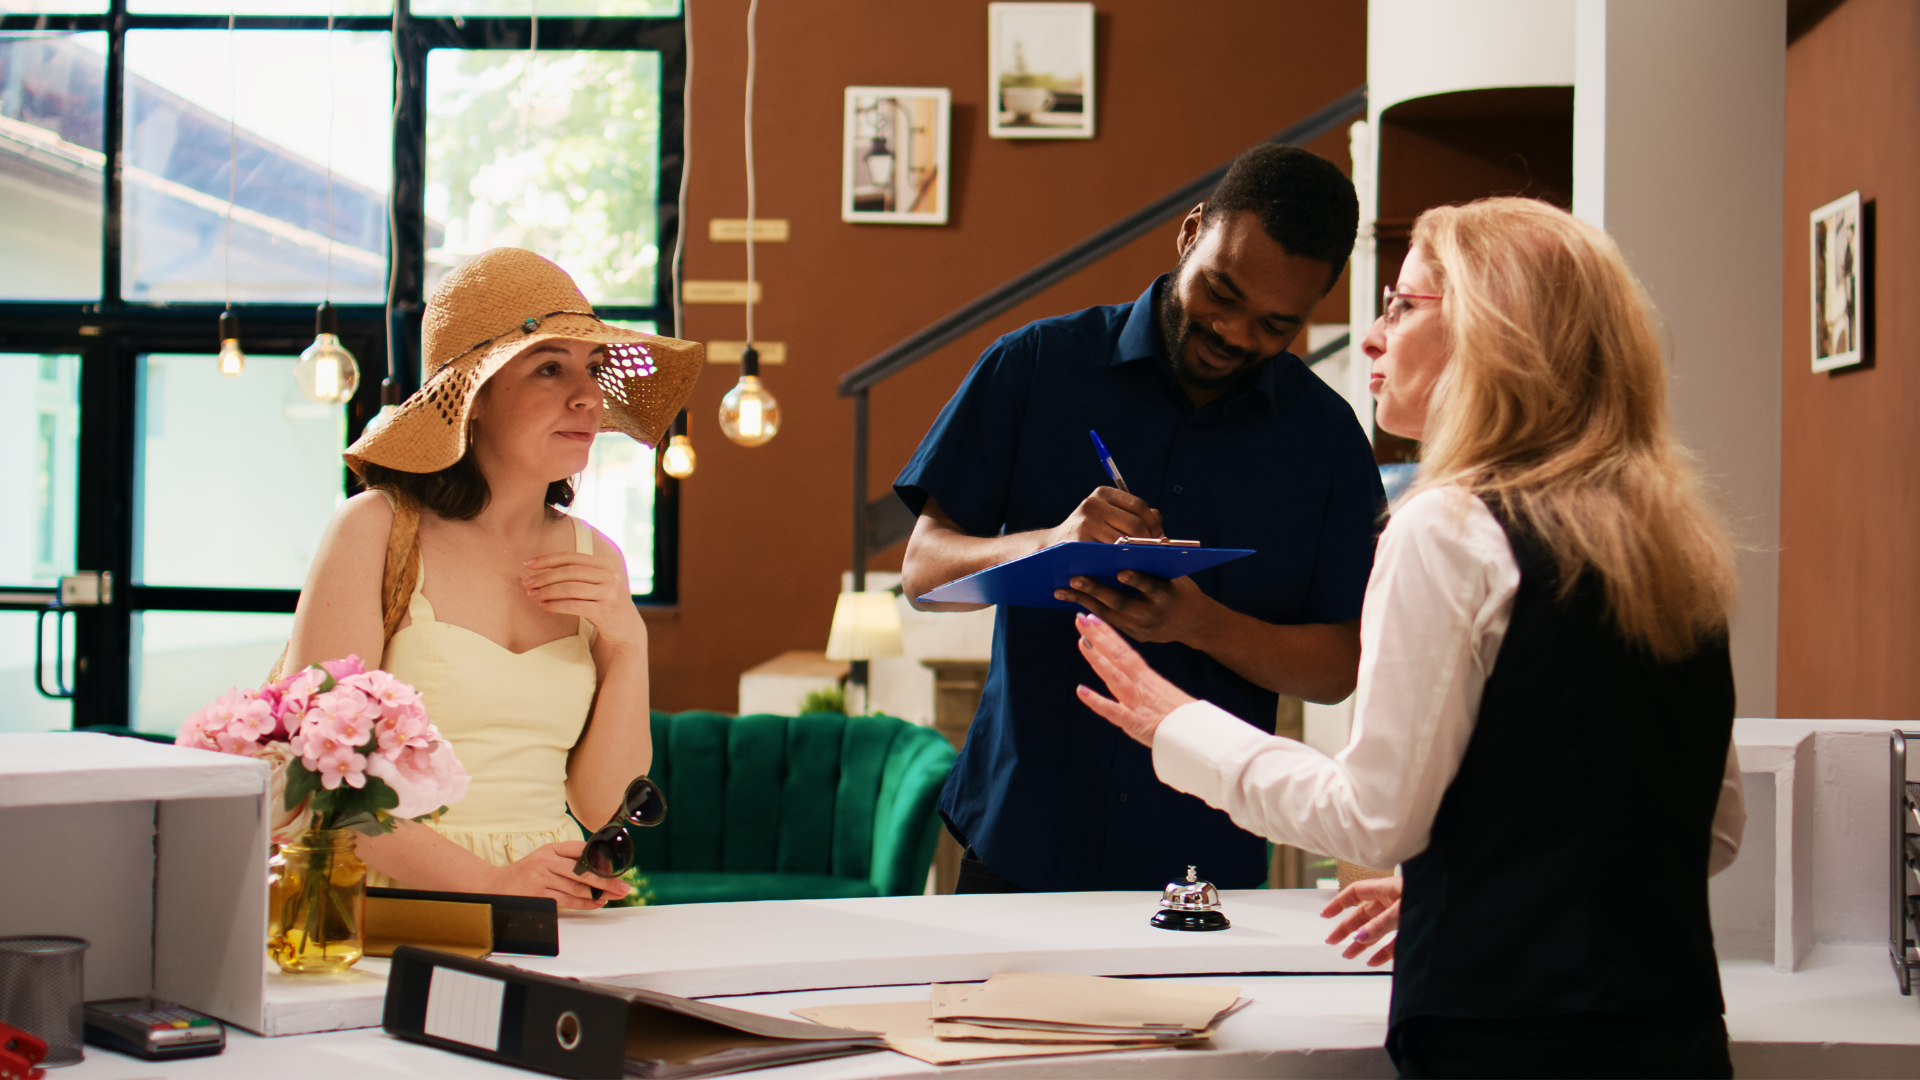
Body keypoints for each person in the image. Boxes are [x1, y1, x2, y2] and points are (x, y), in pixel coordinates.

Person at [1075, 196, 1746, 1077]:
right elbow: (1712, 829)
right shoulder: (1670, 540)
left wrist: (1178, 725)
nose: (1373, 337)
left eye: (1400, 304)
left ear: (1491, 332)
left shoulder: (1448, 529)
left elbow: (1372, 816)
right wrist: (1473, 877)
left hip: (1502, 1038)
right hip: (1678, 1033)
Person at [896, 145, 1384, 893]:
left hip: (1203, 852)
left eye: (1275, 325)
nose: (1234, 333)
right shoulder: (1034, 366)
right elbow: (923, 574)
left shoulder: (1326, 441)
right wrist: (1050, 543)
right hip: (1022, 836)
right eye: (1220, 292)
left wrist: (1198, 624)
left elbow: (1342, 667)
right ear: (1191, 231)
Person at [286, 248, 702, 910]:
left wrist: (628, 642)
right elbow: (319, 774)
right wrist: (490, 883)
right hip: (399, 902)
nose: (588, 397)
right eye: (548, 368)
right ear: (471, 399)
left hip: (552, 904)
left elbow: (600, 803)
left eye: (593, 370)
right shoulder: (374, 531)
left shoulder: (598, 558)